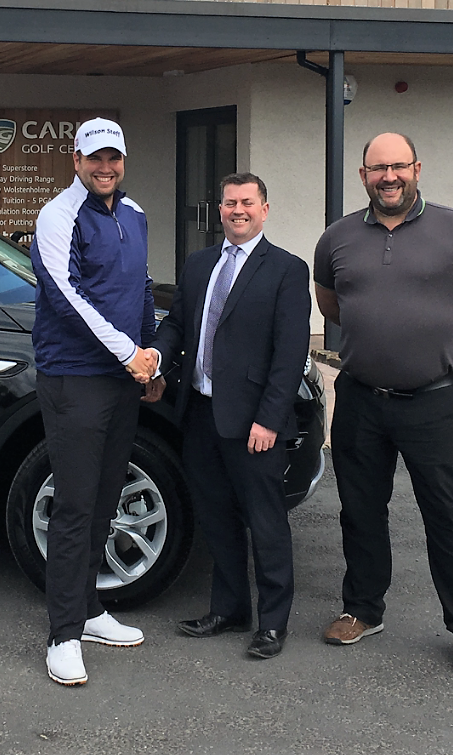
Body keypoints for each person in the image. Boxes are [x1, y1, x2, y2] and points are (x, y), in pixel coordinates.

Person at [314, 132, 453, 677]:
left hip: (433, 401)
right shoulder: (336, 239)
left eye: (398, 166)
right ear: (363, 176)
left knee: (448, 516)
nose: (388, 177)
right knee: (359, 511)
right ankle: (362, 610)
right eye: (377, 169)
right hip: (359, 398)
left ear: (417, 168)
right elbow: (330, 301)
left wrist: (448, 342)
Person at [148, 173, 311, 659]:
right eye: (228, 203)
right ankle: (229, 608)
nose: (237, 210)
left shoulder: (286, 269)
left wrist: (269, 419)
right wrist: (156, 360)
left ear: (264, 209)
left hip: (254, 423)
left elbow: (289, 352)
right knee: (216, 517)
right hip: (199, 412)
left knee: (265, 522)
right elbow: (178, 326)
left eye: (246, 202)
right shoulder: (199, 265)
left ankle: (274, 622)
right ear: (218, 210)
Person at [30, 117, 162, 686]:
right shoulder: (58, 214)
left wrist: (150, 356)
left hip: (120, 379)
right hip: (75, 378)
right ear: (77, 161)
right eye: (94, 159)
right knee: (76, 505)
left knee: (106, 496)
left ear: (123, 162)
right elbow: (66, 296)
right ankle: (62, 634)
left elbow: (143, 288)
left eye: (114, 159)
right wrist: (127, 352)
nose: (105, 168)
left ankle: (88, 611)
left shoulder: (133, 215)